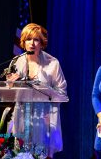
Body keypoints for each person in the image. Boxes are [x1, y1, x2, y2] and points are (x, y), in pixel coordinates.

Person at [6, 23, 67, 158]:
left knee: (40, 155)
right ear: (23, 42)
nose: (32, 43)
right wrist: (12, 84)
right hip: (22, 117)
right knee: (20, 155)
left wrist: (45, 92)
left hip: (44, 120)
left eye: (36, 40)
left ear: (42, 43)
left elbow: (62, 93)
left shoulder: (52, 63)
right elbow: (11, 92)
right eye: (28, 39)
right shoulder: (18, 62)